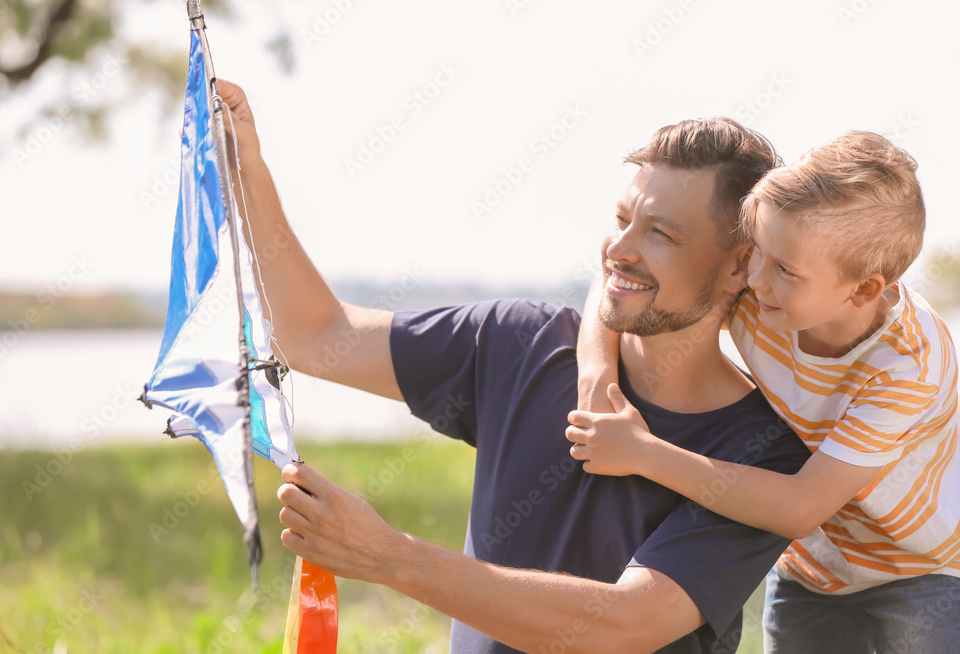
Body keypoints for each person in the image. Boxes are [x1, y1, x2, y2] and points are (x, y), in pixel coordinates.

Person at [218, 78, 809, 653]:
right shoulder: (517, 342)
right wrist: (247, 169)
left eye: (660, 233)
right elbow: (317, 336)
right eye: (622, 218)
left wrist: (389, 555)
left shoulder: (765, 458)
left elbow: (622, 627)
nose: (620, 248)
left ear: (739, 267)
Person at [570, 131, 960, 653]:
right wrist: (597, 379)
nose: (754, 278)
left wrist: (643, 454)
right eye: (756, 252)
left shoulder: (907, 366)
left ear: (865, 289)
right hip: (812, 567)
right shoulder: (767, 290)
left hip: (921, 569)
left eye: (783, 269)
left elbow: (800, 507)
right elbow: (621, 276)